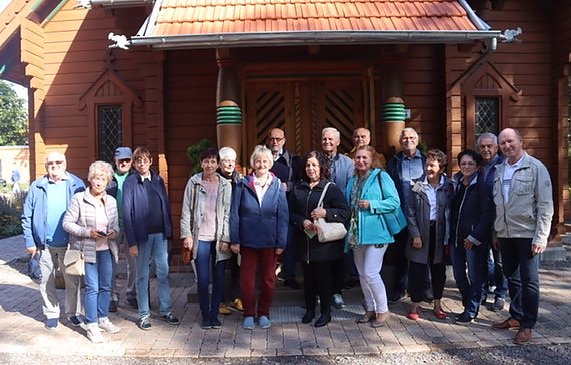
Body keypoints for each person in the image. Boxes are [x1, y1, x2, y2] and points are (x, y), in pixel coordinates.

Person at [491, 128, 553, 345]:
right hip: (505, 234)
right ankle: (516, 316)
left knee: (530, 281)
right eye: (503, 143)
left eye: (510, 141)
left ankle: (528, 324)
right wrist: (496, 234)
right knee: (512, 277)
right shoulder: (499, 170)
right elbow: (498, 205)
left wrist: (541, 237)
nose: (507, 146)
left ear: (520, 141)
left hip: (528, 234)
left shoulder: (535, 168)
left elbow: (545, 205)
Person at [21, 151, 85, 330]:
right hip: (44, 245)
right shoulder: (37, 186)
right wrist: (30, 242)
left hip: (70, 243)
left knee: (72, 280)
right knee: (45, 280)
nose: (54, 165)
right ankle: (51, 313)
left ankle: (73, 313)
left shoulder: (76, 184)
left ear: (65, 163)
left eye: (58, 162)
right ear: (46, 166)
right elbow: (26, 216)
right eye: (50, 163)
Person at [229, 145, 289, 330]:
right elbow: (234, 213)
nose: (261, 164)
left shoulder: (277, 185)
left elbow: (283, 215)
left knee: (269, 280)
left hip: (270, 242)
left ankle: (263, 312)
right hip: (247, 241)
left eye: (265, 161)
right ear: (253, 163)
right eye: (258, 161)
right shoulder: (243, 184)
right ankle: (248, 313)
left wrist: (281, 242)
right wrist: (235, 239)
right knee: (247, 280)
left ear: (270, 163)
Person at [289, 150, 350, 327]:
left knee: (324, 280)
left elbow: (345, 212)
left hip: (325, 245)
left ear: (322, 167)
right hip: (304, 242)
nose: (311, 168)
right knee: (308, 280)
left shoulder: (331, 189)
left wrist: (326, 212)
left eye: (314, 165)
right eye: (308, 165)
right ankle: (309, 310)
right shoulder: (298, 188)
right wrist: (302, 221)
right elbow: (290, 213)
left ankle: (325, 313)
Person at [63, 161, 121, 342]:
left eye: (103, 179)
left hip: (106, 250)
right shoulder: (79, 199)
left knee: (106, 286)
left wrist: (114, 233)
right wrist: (88, 232)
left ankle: (103, 318)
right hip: (87, 251)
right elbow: (67, 223)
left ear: (108, 181)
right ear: (90, 179)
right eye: (96, 178)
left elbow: (116, 226)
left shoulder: (111, 201)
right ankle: (92, 325)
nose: (99, 182)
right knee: (92, 288)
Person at [122, 147, 180, 330]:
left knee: (163, 273)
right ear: (134, 163)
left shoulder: (158, 180)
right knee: (142, 276)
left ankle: (166, 310)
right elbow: (127, 212)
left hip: (160, 235)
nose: (142, 164)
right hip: (141, 236)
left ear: (150, 161)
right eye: (138, 161)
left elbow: (165, 206)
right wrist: (131, 242)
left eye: (145, 160)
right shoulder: (130, 182)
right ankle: (144, 314)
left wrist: (168, 233)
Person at [346, 146, 400, 327]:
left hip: (377, 232)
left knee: (371, 272)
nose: (360, 161)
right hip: (357, 233)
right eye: (358, 157)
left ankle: (383, 311)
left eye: (364, 158)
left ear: (372, 159)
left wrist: (372, 204)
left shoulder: (381, 176)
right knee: (362, 274)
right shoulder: (353, 179)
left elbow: (394, 202)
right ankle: (370, 309)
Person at [181, 148, 233, 329]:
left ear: (218, 164)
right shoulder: (193, 182)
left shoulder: (226, 185)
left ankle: (214, 314)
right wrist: (186, 234)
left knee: (219, 278)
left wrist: (227, 237)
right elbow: (186, 210)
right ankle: (205, 314)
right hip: (200, 237)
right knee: (203, 279)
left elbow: (228, 213)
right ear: (201, 163)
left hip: (218, 238)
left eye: (213, 161)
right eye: (206, 161)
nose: (209, 165)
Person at [404, 149, 454, 321]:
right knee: (417, 269)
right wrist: (415, 235)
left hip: (440, 232)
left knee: (438, 270)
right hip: (421, 232)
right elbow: (409, 212)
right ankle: (415, 303)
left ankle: (437, 304)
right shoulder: (417, 185)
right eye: (426, 164)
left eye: (432, 165)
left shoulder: (449, 186)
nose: (428, 168)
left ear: (441, 167)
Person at [449, 149, 494, 324]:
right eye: (463, 164)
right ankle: (468, 303)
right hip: (456, 238)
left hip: (473, 240)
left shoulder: (482, 186)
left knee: (475, 276)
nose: (466, 167)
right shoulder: (458, 184)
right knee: (459, 275)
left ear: (477, 166)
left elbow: (487, 215)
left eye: (470, 164)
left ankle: (471, 310)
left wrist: (474, 236)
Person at [385, 127, 427, 304]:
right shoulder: (394, 162)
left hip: (422, 214)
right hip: (401, 214)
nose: (408, 140)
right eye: (404, 138)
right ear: (400, 141)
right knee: (401, 254)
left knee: (423, 252)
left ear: (417, 140)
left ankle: (423, 288)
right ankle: (399, 287)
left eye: (411, 137)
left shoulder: (426, 160)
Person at [321, 127, 354, 309]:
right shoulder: (316, 160)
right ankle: (320, 292)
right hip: (320, 214)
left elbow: (350, 188)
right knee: (321, 257)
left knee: (339, 256)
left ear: (338, 142)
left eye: (330, 139)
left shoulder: (348, 163)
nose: (327, 142)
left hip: (340, 215)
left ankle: (337, 292)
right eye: (324, 139)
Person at [266, 127, 301, 290]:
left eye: (278, 139)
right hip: (266, 208)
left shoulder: (293, 160)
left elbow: (301, 181)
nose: (275, 142)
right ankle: (267, 276)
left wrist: (290, 186)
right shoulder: (262, 157)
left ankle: (289, 276)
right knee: (268, 242)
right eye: (272, 139)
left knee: (290, 241)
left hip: (288, 206)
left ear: (284, 140)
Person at [477, 132, 508, 311]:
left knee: (499, 261)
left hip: (498, 221)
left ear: (496, 148)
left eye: (490, 146)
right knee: (481, 259)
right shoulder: (478, 166)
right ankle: (482, 291)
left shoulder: (503, 165)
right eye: (483, 146)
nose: (486, 149)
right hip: (481, 220)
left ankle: (501, 294)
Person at [107, 146, 137, 312]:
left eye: (127, 160)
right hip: (112, 226)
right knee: (112, 262)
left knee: (134, 263)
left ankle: (132, 293)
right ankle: (112, 296)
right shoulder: (108, 178)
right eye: (121, 160)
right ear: (115, 161)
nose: (124, 163)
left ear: (131, 161)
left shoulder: (135, 177)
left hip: (132, 225)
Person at [216, 146, 243, 314]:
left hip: (236, 228)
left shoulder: (239, 180)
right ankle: (218, 301)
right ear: (220, 163)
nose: (229, 164)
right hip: (219, 230)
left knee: (237, 266)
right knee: (219, 267)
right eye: (226, 161)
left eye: (232, 161)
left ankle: (236, 298)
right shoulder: (215, 180)